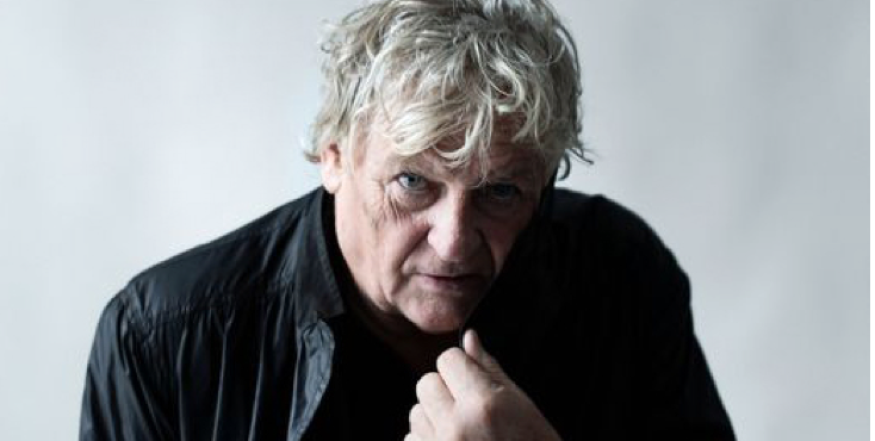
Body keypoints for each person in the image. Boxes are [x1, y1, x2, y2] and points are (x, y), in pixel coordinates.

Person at [80, 0, 735, 439]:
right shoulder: (162, 340)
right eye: (413, 183)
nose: (452, 242)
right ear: (334, 157)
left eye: (500, 191)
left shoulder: (620, 278)